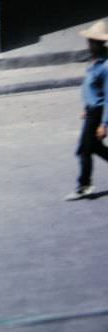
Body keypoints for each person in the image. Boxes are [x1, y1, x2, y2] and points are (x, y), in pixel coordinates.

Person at [66, 20, 108, 201]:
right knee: (95, 148)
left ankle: (84, 186)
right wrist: (86, 107)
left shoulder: (106, 66)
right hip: (91, 111)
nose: (88, 44)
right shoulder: (95, 62)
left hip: (98, 114)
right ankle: (84, 185)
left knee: (83, 150)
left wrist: (105, 124)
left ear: (99, 43)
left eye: (91, 41)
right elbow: (91, 89)